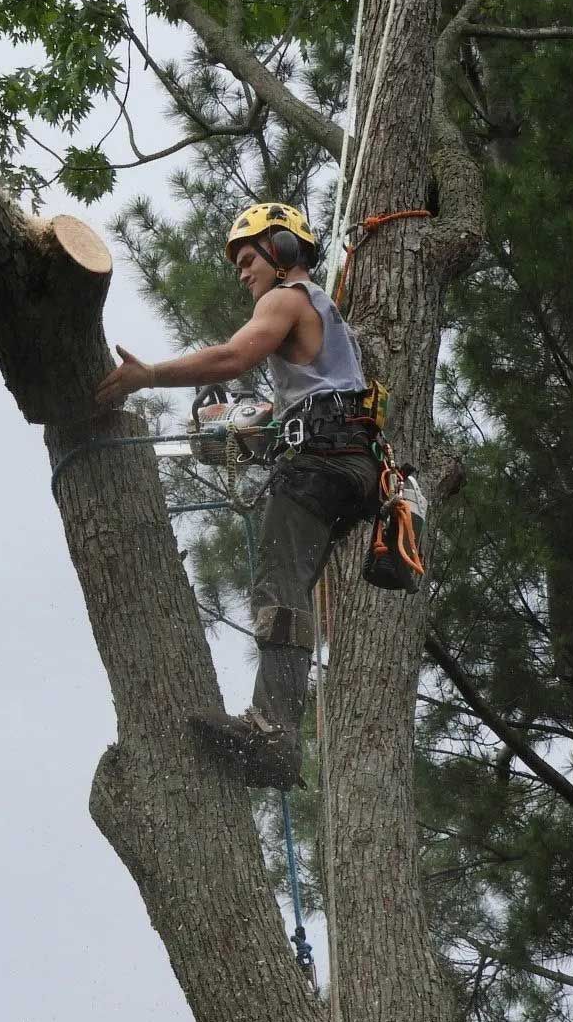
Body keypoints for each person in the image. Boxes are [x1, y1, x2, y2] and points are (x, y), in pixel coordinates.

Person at [95, 203, 381, 788]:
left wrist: (148, 376)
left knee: (278, 590)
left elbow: (232, 357)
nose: (242, 273)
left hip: (320, 465)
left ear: (281, 250)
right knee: (292, 594)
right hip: (353, 470)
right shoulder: (326, 317)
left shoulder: (285, 299)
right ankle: (278, 732)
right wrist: (257, 425)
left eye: (248, 259)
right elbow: (312, 404)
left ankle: (272, 733)